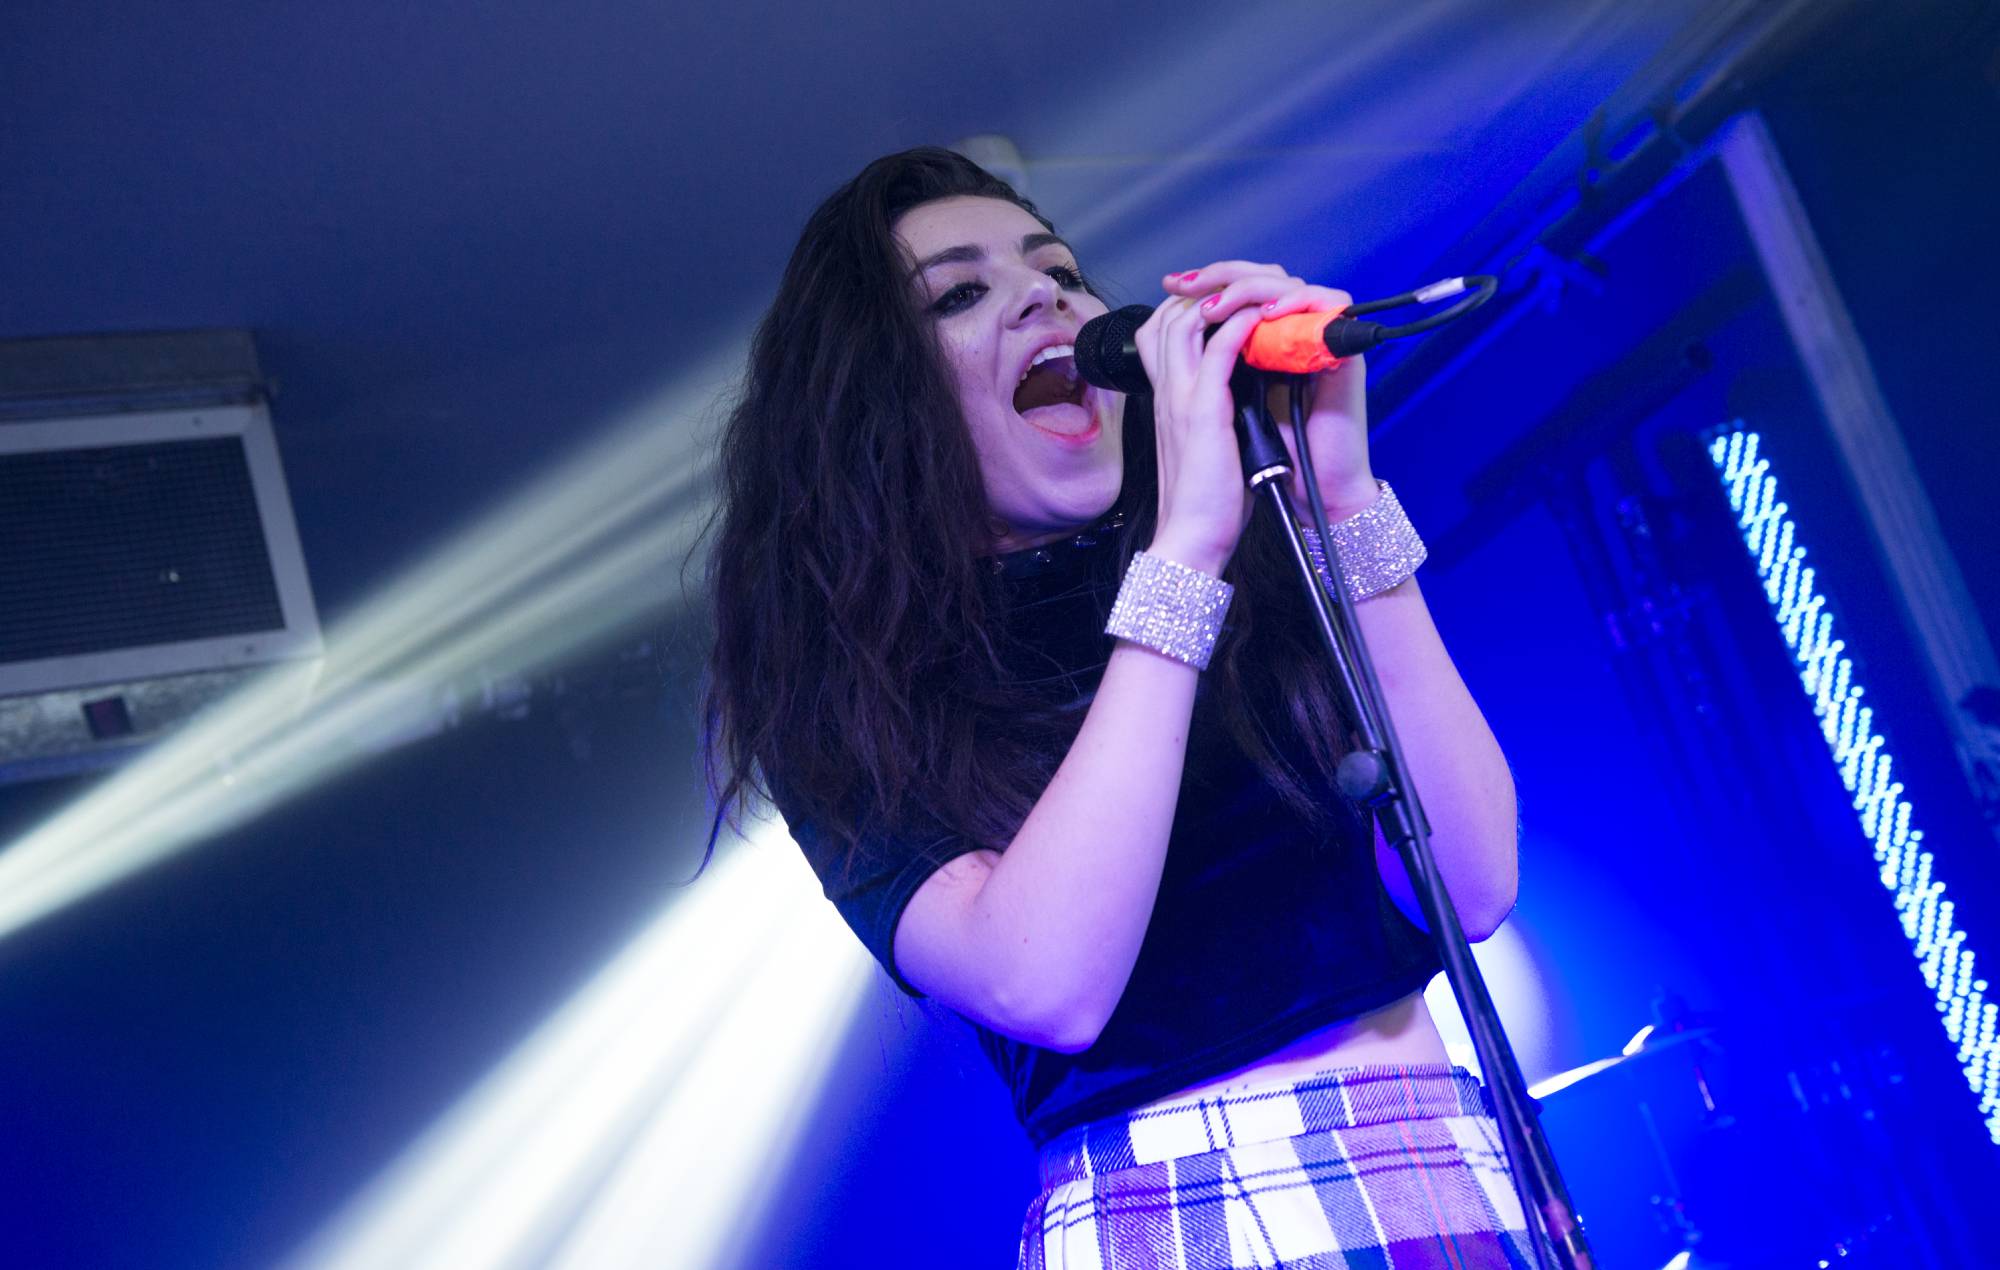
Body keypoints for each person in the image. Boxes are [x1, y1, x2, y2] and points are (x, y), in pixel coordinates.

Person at [703, 147, 1533, 1267]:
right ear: (874, 411)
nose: (1043, 295)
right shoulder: (853, 706)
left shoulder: (1264, 557)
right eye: (958, 293)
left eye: (1058, 269)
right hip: (1179, 1218)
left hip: (1449, 1167)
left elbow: (1471, 882)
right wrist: (1182, 559)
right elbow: (1043, 981)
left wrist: (1340, 496)